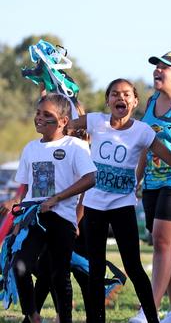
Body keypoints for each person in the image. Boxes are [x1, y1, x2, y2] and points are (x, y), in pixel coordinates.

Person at [69, 78, 171, 323]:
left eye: (127, 94)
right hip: (94, 207)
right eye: (115, 94)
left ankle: (152, 319)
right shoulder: (96, 121)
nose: (121, 98)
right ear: (107, 100)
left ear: (136, 101)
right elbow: (65, 126)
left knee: (135, 268)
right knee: (95, 270)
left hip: (122, 207)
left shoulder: (143, 131)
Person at [1, 94, 97, 323]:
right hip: (34, 219)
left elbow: (91, 178)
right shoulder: (31, 148)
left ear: (64, 121)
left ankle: (65, 318)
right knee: (20, 266)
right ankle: (33, 316)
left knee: (59, 274)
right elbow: (26, 189)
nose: (39, 118)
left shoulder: (75, 146)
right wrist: (15, 207)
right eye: (38, 113)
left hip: (61, 218)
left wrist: (58, 198)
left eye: (47, 115)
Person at [131, 51, 171, 323]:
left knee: (161, 242)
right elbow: (146, 140)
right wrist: (138, 176)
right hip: (154, 182)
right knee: (168, 247)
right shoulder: (152, 99)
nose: (157, 71)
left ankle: (149, 310)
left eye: (164, 68)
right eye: (156, 67)